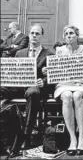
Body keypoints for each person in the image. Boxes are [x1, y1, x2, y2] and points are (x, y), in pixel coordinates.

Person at [0, 24, 53, 153]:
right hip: (19, 85)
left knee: (33, 92)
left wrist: (45, 81)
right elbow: (13, 72)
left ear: (42, 36)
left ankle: (26, 134)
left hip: (35, 87)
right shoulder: (20, 53)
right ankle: (6, 131)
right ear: (29, 34)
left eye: (37, 33)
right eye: (32, 33)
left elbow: (54, 73)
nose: (34, 36)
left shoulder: (49, 54)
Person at [53, 25, 83, 155]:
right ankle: (72, 138)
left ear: (77, 35)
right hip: (64, 84)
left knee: (77, 96)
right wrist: (49, 70)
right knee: (67, 96)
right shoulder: (60, 50)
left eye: (72, 33)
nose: (69, 35)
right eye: (67, 33)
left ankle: (82, 138)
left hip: (80, 83)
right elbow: (56, 69)